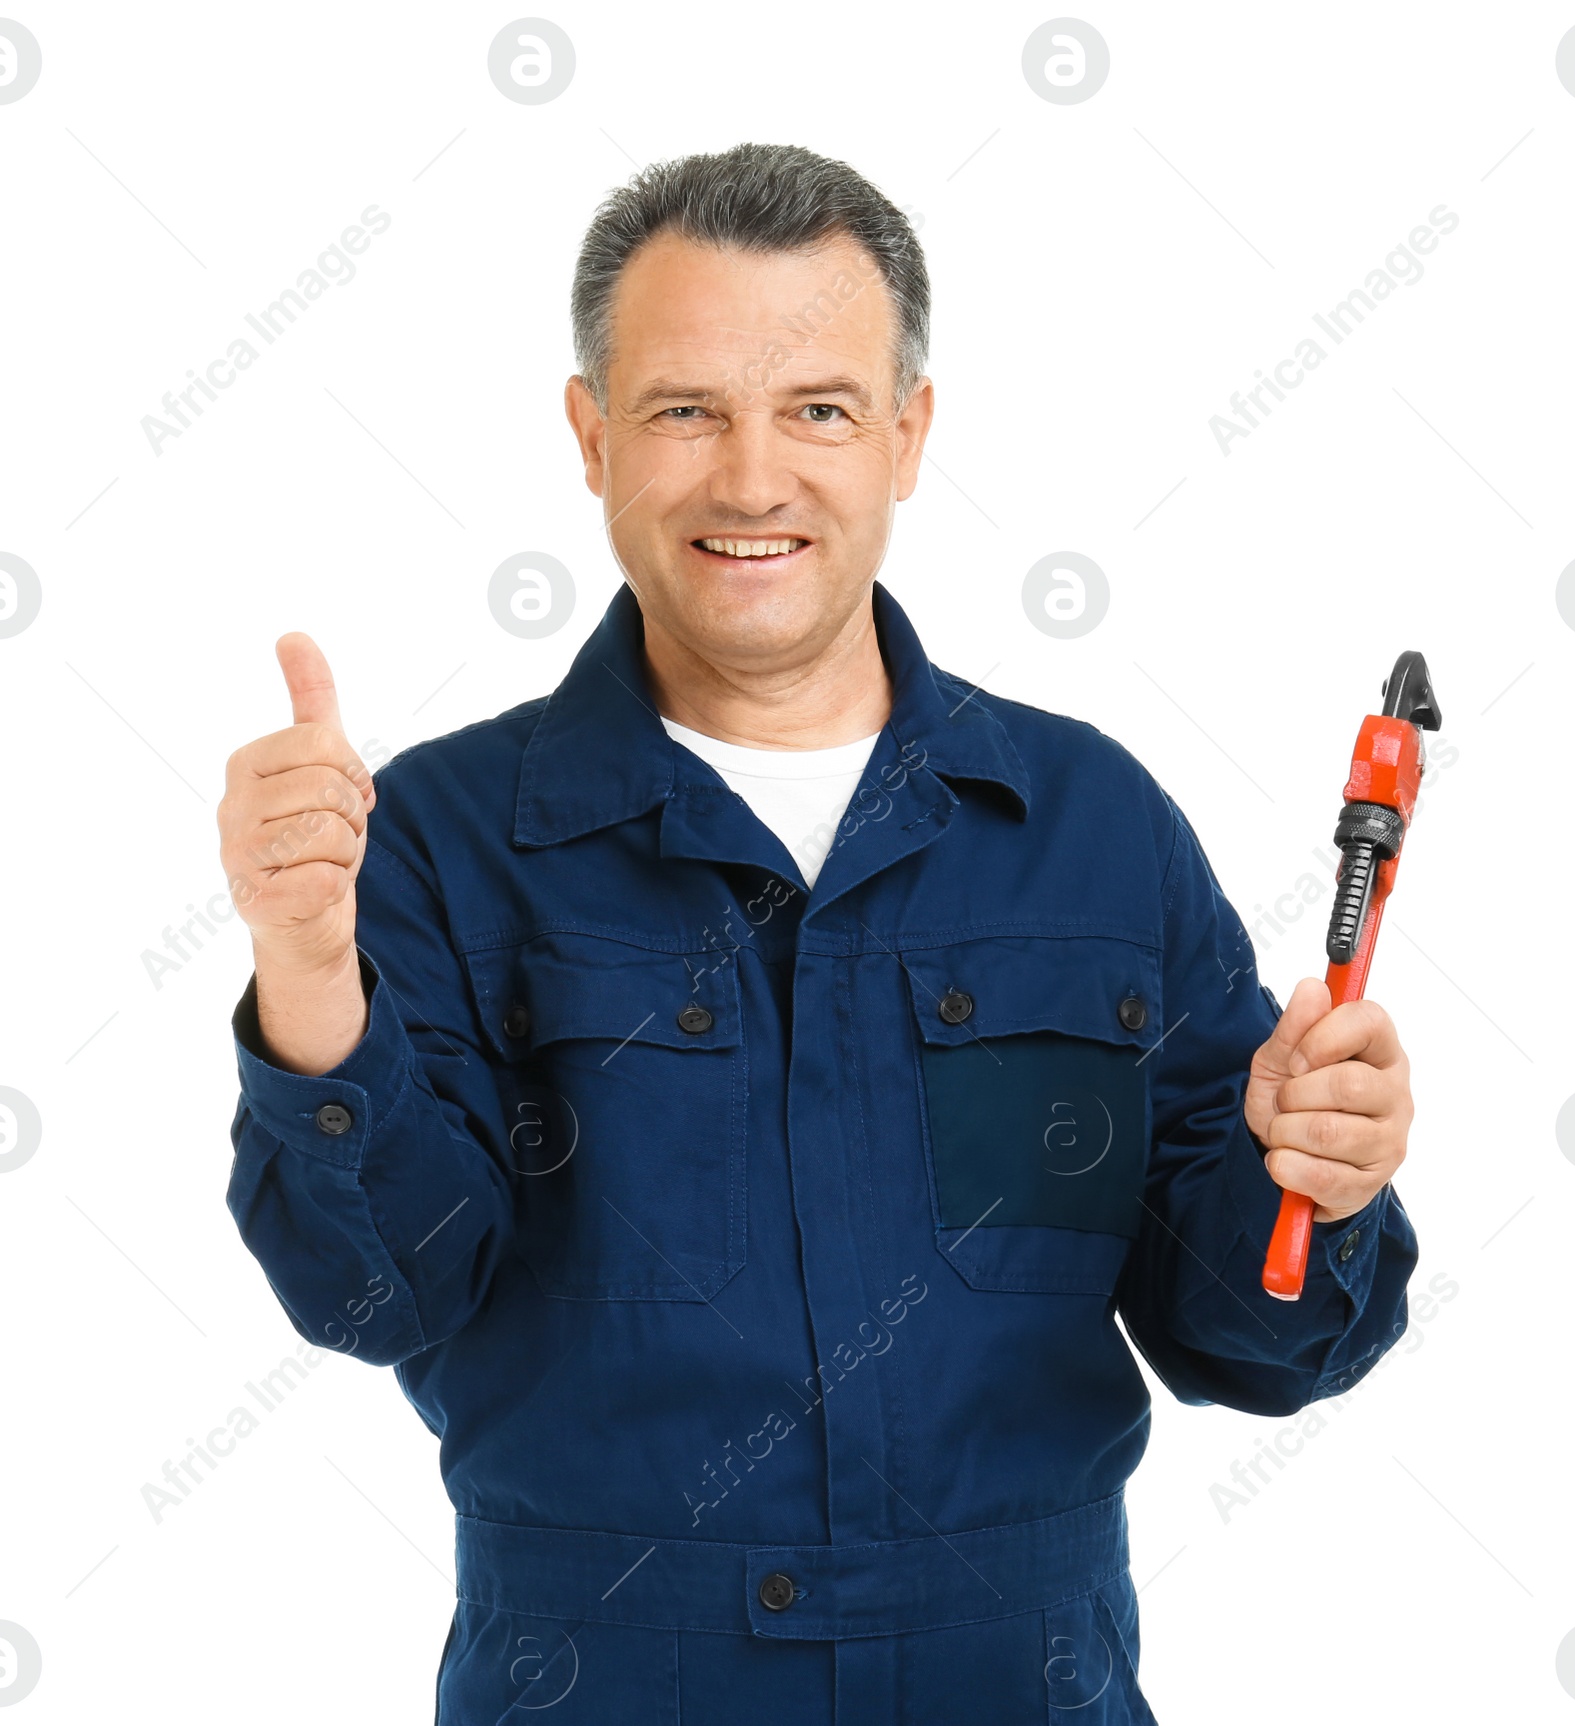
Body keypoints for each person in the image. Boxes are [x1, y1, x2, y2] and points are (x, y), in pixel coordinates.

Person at [217, 142, 1418, 1724]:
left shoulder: (1088, 827)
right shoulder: (441, 834)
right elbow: (382, 1298)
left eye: (821, 410)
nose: (753, 478)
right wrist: (309, 977)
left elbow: (1251, 1345)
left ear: (910, 435)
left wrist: (1316, 1176)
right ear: (590, 436)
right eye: (685, 410)